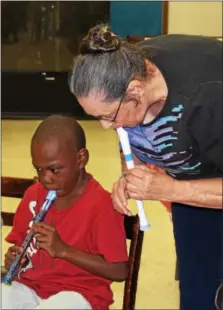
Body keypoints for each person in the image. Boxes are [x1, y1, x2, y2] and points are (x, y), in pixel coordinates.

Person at [69, 24, 223, 310]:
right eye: (97, 117)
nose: (106, 126)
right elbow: (130, 134)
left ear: (136, 90)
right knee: (198, 290)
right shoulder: (125, 71)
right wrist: (131, 172)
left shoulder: (208, 96)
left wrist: (174, 188)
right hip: (192, 186)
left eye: (108, 116)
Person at [2, 115, 129, 310]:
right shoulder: (33, 196)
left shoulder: (102, 205)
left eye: (54, 169)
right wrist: (16, 260)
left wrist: (63, 250)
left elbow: (120, 271)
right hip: (32, 287)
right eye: (39, 169)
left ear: (81, 159)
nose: (46, 179)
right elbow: (20, 246)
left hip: (80, 294)